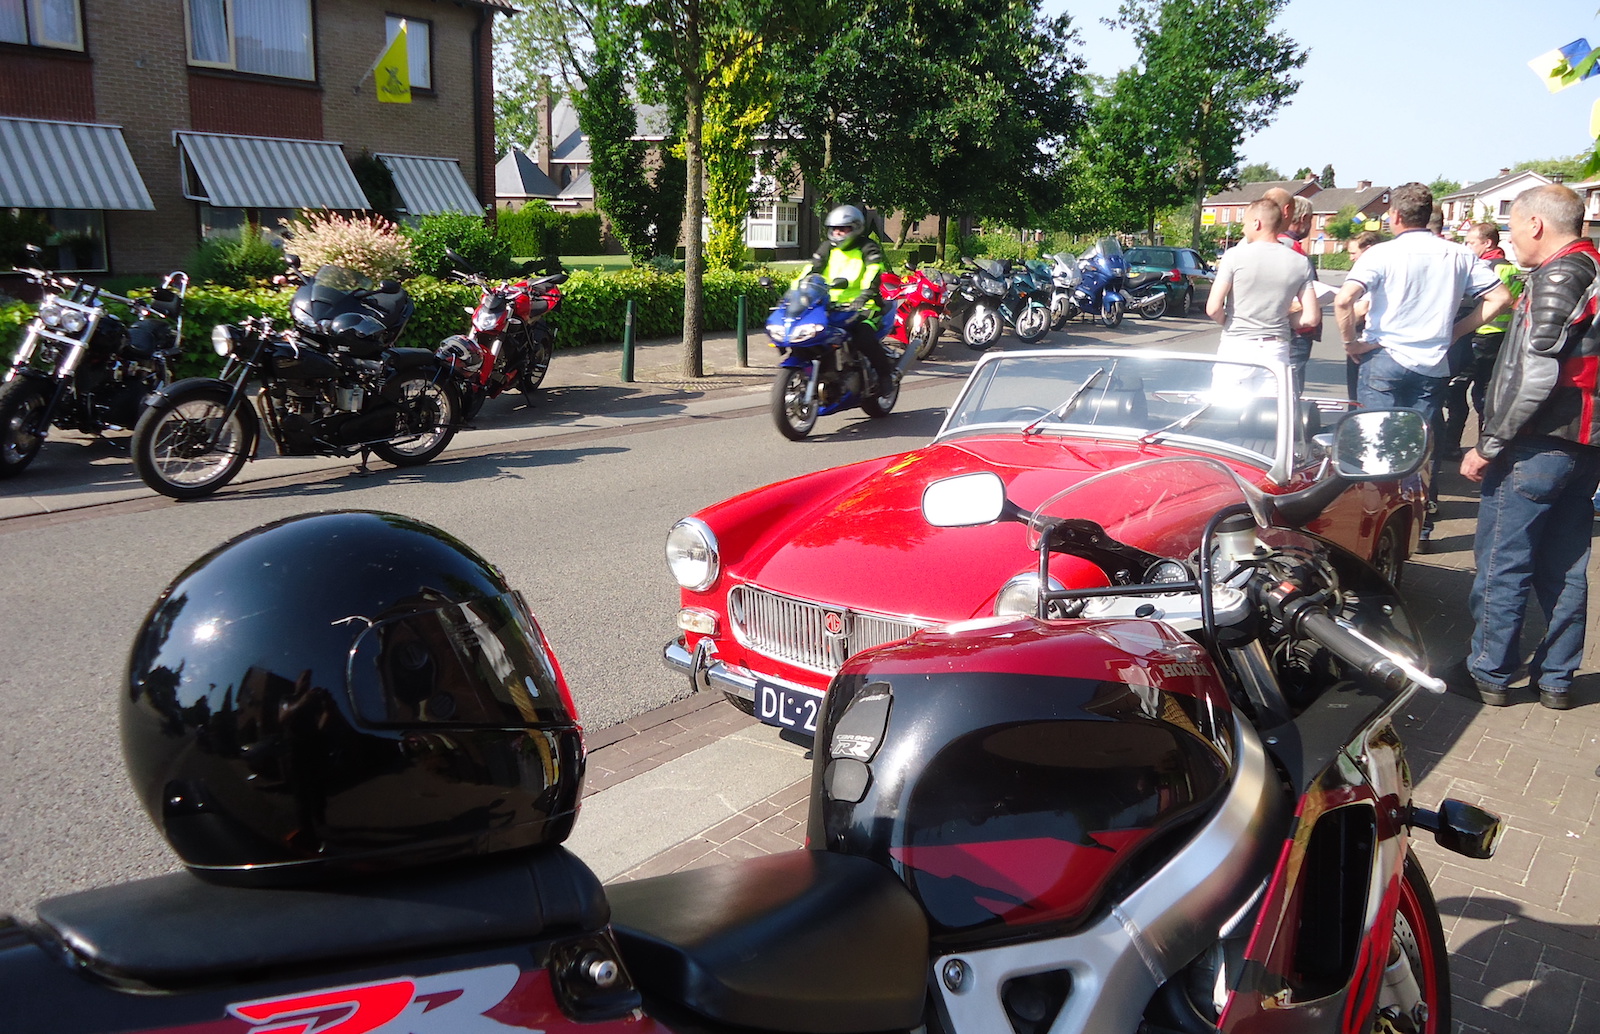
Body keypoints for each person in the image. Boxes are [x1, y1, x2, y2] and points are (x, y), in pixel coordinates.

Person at [1459, 184, 1600, 709]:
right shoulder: (1589, 269)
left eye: (1515, 226)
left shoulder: (1561, 275)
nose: (1512, 238)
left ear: (1536, 224)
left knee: (1504, 562)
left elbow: (1537, 370)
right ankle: (1557, 679)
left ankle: (1489, 671)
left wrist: (1490, 443)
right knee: (1565, 566)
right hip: (1582, 446)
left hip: (1538, 445)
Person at [1333, 182, 1512, 540]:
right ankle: (1421, 526)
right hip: (1433, 364)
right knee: (1421, 447)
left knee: (1376, 444)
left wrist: (1351, 342)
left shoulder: (1381, 254)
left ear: (1395, 216)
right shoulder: (1459, 255)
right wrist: (1456, 331)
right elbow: (1501, 298)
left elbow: (1343, 300)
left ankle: (1373, 530)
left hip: (1383, 358)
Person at [1205, 197, 1321, 393]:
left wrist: (1229, 322)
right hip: (1275, 349)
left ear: (1256, 223)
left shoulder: (1234, 256)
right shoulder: (1300, 262)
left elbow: (1213, 308)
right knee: (1269, 410)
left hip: (1236, 345)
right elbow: (1311, 317)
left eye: (1244, 224)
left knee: (1226, 408)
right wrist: (1283, 319)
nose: (1243, 230)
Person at [1440, 222, 1521, 459]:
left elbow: (1477, 303)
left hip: (1476, 336)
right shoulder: (1510, 268)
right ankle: (1486, 449)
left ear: (1487, 243)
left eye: (1471, 242)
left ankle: (1451, 446)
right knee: (1485, 396)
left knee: (1457, 391)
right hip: (1499, 340)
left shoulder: (1486, 268)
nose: (1467, 247)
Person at [800, 204, 896, 388]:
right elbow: (811, 271)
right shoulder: (827, 248)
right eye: (834, 229)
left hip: (864, 306)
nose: (837, 233)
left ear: (855, 228)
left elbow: (873, 271)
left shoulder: (867, 247)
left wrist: (865, 295)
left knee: (863, 338)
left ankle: (885, 377)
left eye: (843, 229)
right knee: (811, 336)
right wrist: (795, 292)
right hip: (829, 305)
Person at [1343, 231, 1382, 400]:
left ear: (1368, 249)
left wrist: (1346, 329)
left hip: (1366, 340)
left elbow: (1362, 309)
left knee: (1359, 397)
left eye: (1354, 253)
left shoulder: (1371, 272)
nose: (1351, 258)